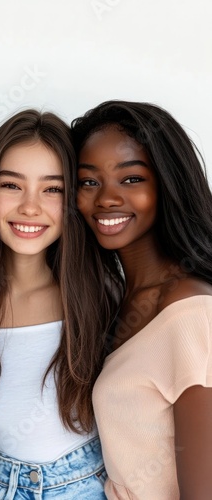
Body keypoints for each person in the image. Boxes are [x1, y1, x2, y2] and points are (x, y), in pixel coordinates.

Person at [72, 99, 212, 499]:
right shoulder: (116, 300)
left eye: (131, 179)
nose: (107, 199)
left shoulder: (190, 313)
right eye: (89, 181)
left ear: (166, 183)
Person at [0, 109, 115, 499]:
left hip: (86, 484)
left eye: (51, 189)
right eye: (11, 185)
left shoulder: (100, 294)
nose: (30, 207)